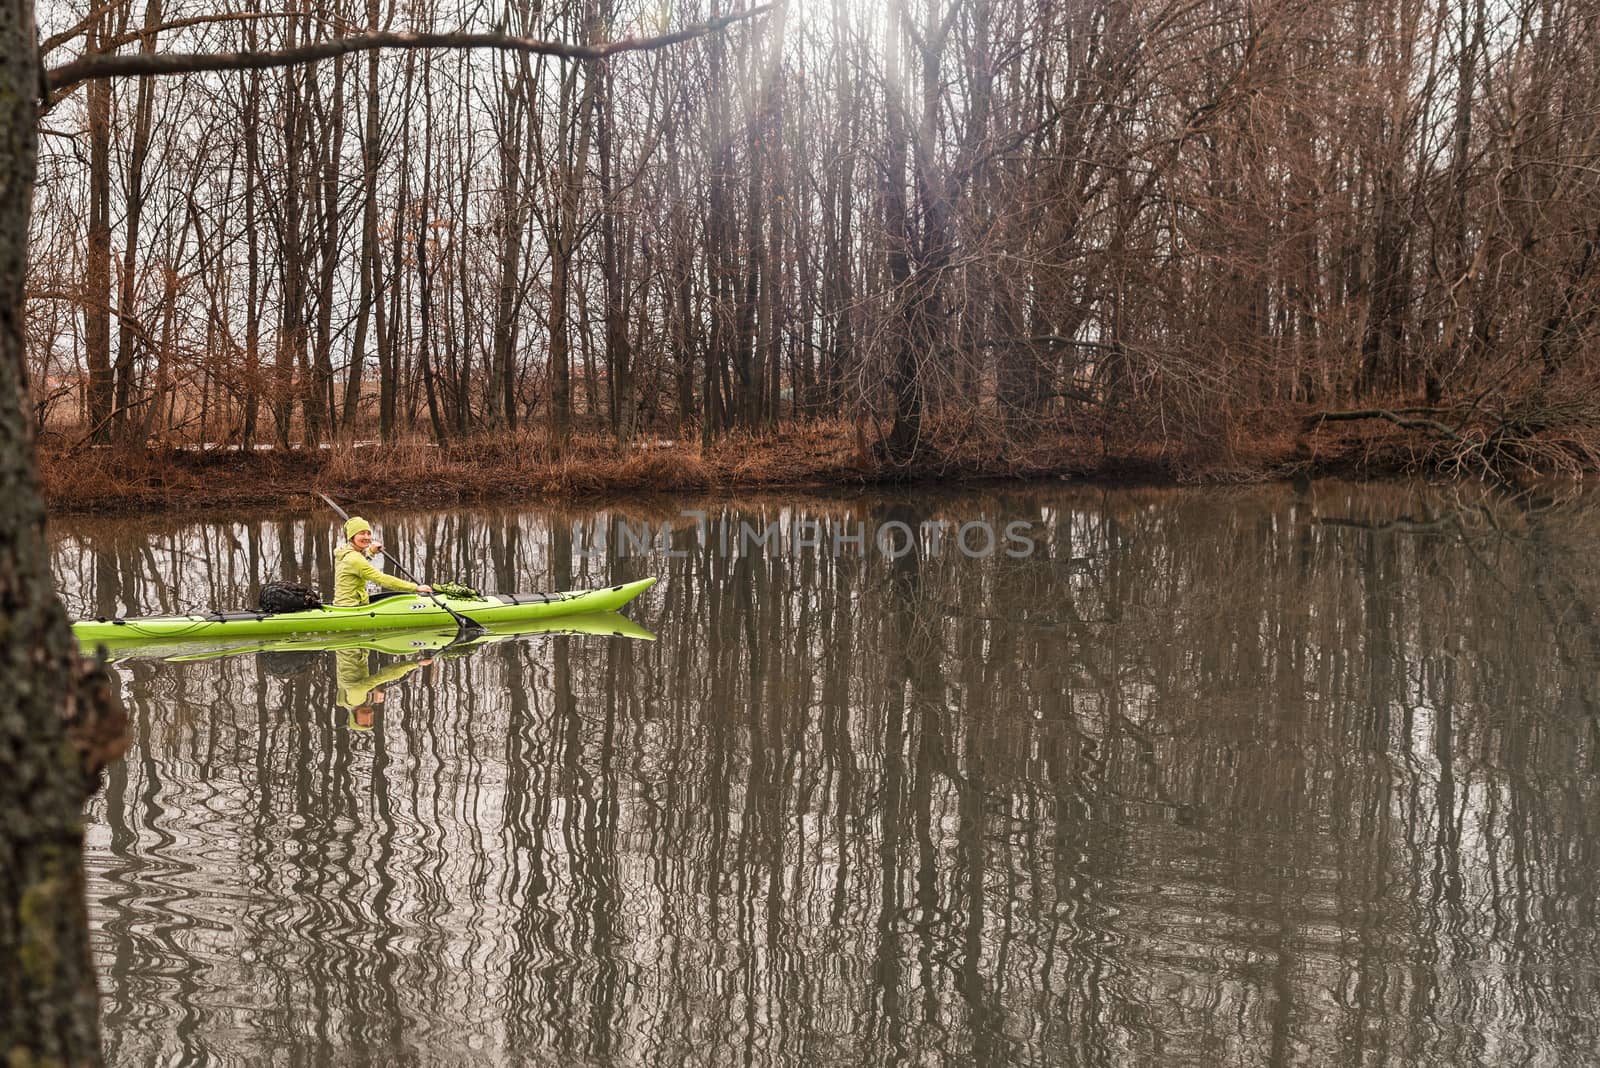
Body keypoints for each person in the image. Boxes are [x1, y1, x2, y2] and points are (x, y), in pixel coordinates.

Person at [332, 515, 433, 606]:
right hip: (352, 605)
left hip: (344, 602)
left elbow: (357, 563)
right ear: (351, 537)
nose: (367, 537)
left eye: (368, 533)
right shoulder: (354, 559)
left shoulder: (344, 551)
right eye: (362, 534)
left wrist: (370, 551)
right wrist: (415, 588)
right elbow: (382, 579)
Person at [335, 647, 433, 731]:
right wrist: (374, 689)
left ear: (354, 719)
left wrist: (416, 663)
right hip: (355, 648)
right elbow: (362, 684)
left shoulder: (355, 701)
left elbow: (381, 677)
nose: (369, 720)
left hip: (351, 647)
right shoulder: (357, 701)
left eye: (365, 724)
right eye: (370, 723)